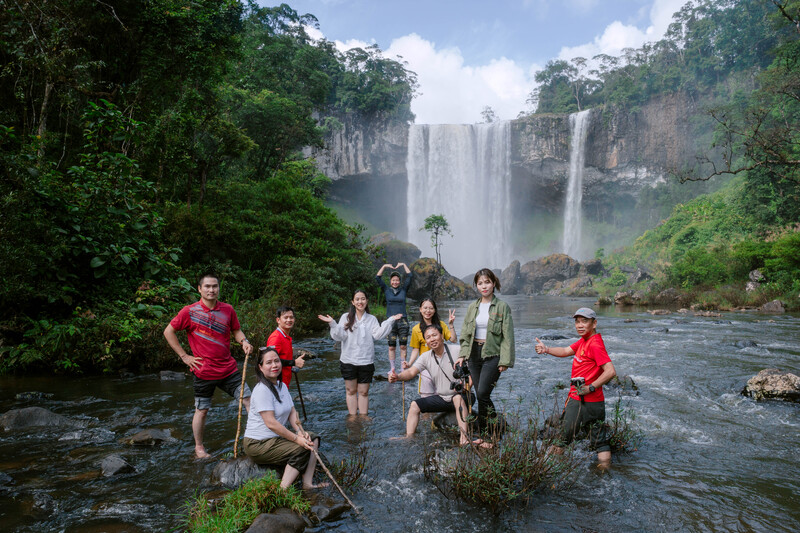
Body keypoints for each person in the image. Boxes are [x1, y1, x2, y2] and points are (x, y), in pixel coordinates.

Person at [163, 273, 254, 459]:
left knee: (249, 401)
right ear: (199, 289)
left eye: (215, 286)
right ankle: (199, 448)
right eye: (207, 286)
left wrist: (243, 341)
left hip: (228, 369)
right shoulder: (189, 311)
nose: (211, 290)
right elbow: (168, 331)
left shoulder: (228, 309)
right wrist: (184, 356)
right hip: (203, 371)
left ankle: (256, 438)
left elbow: (236, 330)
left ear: (219, 288)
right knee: (202, 410)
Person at [535, 307, 617, 468]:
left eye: (584, 321)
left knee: (561, 440)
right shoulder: (585, 341)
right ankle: (604, 475)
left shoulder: (594, 344)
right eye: (577, 321)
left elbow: (611, 371)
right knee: (600, 442)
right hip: (596, 403)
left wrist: (590, 387)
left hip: (581, 400)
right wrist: (547, 349)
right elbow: (566, 350)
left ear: (594, 323)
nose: (580, 325)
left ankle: (548, 472)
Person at [243, 347, 326, 489]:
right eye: (268, 362)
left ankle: (307, 483)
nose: (274, 365)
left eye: (277, 361)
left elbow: (292, 412)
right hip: (258, 443)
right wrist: (296, 439)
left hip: (274, 439)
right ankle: (283, 489)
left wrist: (299, 431)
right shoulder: (262, 389)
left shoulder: (282, 386)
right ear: (260, 367)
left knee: (313, 439)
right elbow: (271, 424)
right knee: (302, 448)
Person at [318, 290, 402, 416]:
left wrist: (390, 321)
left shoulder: (371, 319)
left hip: (366, 360)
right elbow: (339, 336)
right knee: (351, 391)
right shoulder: (346, 317)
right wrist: (333, 324)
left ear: (366, 301)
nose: (360, 302)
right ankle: (352, 418)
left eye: (363, 299)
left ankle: (363, 417)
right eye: (357, 299)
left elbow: (378, 335)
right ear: (353, 302)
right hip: (348, 360)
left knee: (363, 392)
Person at [389, 324, 473, 445]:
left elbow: (473, 371)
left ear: (442, 336)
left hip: (463, 396)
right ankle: (409, 437)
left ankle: (464, 438)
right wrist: (397, 376)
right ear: (426, 342)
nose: (432, 339)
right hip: (443, 398)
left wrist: (467, 386)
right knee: (414, 405)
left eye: (434, 335)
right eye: (428, 337)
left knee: (457, 398)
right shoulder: (425, 357)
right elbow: (411, 372)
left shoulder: (457, 350)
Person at [456, 268, 514, 442]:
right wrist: (462, 355)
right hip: (474, 355)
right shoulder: (472, 307)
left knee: (482, 393)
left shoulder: (502, 307)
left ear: (494, 283)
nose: (484, 286)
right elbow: (466, 333)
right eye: (480, 283)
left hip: (493, 355)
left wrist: (505, 360)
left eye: (487, 282)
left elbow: (507, 336)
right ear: (476, 286)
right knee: (482, 395)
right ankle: (489, 430)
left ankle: (489, 432)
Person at [405, 298, 457, 397]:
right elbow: (415, 349)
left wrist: (451, 325)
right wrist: (410, 363)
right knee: (426, 396)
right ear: (420, 309)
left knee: (445, 395)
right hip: (426, 366)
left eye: (431, 308)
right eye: (425, 308)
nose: (428, 311)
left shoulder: (441, 325)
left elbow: (453, 340)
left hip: (442, 364)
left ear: (435, 310)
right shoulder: (416, 329)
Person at [375, 263, 412, 373]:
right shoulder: (386, 290)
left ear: (400, 281)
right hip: (390, 322)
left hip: (403, 321)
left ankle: (402, 368)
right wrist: (385, 266)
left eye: (397, 280)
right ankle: (392, 368)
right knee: (391, 347)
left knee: (403, 347)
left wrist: (404, 264)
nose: (395, 282)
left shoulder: (404, 290)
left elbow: (410, 276)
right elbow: (378, 277)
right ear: (390, 281)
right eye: (393, 280)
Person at [267, 306, 306, 386]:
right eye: (285, 317)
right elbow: (271, 361)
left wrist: (291, 366)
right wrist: (294, 362)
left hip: (283, 382)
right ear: (278, 320)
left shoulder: (285, 336)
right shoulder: (276, 338)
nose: (289, 320)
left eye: (291, 317)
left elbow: (282, 357)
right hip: (276, 383)